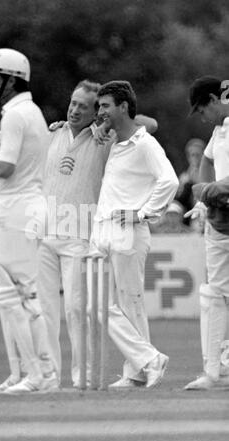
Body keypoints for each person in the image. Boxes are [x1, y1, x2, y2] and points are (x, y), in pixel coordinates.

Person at [38, 79, 158, 388]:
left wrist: (106, 123)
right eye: (72, 103)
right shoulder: (55, 132)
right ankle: (44, 378)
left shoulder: (106, 137)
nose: (75, 109)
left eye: (83, 106)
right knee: (44, 311)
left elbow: (149, 124)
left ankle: (86, 378)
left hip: (80, 234)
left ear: (97, 112)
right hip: (46, 232)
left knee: (79, 311)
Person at [0, 48, 56, 394]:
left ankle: (37, 376)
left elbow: (4, 168)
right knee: (13, 294)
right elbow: (6, 160)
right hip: (22, 206)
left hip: (18, 210)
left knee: (15, 295)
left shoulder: (17, 115)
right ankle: (26, 373)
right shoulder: (25, 113)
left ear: (11, 79)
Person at [90, 80, 179, 388]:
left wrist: (142, 213)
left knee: (130, 304)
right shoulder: (114, 141)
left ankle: (139, 370)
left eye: (105, 106)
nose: (99, 111)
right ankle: (145, 363)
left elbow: (168, 181)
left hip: (128, 232)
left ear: (123, 107)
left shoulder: (144, 143)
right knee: (97, 304)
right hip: (103, 230)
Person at [184, 76, 229, 390]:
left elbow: (210, 184)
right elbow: (208, 163)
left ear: (215, 99)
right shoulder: (219, 132)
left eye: (202, 110)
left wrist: (208, 190)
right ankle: (212, 372)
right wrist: (205, 197)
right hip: (219, 224)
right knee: (214, 294)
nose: (202, 117)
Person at [176, 138, 206, 216]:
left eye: (198, 155)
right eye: (192, 155)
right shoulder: (184, 177)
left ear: (203, 155)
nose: (195, 158)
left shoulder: (211, 174)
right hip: (187, 215)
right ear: (188, 157)